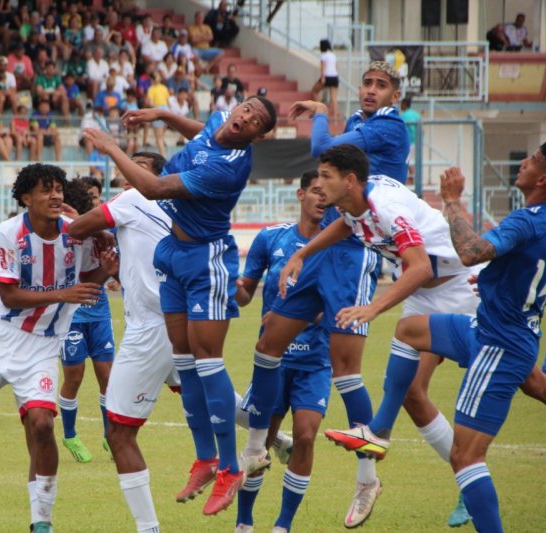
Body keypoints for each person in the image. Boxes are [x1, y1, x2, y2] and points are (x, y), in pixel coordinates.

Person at [326, 147, 546, 533]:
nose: (523, 163)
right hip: (488, 324)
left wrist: (452, 200)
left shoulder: (528, 222)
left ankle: (461, 482)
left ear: (541, 179)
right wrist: (496, 283)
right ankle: (379, 431)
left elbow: (471, 252)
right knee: (408, 333)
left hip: (499, 339)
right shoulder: (534, 223)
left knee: (467, 456)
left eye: (531, 161)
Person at [287, 61, 470, 526]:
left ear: (348, 179)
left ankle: (382, 438)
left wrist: (372, 307)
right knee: (412, 390)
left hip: (462, 285)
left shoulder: (385, 198)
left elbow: (420, 264)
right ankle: (462, 477)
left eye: (380, 84)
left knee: (524, 379)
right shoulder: (357, 203)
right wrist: (302, 253)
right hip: (425, 289)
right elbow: (347, 225)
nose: (317, 184)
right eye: (365, 82)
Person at [84, 95, 277, 516]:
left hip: (206, 259)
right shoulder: (222, 122)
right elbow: (203, 130)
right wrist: (163, 114)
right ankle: (206, 459)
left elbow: (153, 189)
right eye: (246, 108)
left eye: (256, 120)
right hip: (173, 252)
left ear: (258, 136)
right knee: (184, 360)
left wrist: (112, 147)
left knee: (208, 362)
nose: (245, 117)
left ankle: (230, 467)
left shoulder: (228, 167)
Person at [0, 164, 112, 533]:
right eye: (46, 190)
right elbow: (10, 295)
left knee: (42, 425)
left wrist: (106, 269)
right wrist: (63, 294)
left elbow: (87, 283)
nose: (55, 196)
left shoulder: (77, 233)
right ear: (26, 198)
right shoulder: (9, 232)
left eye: (58, 189)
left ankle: (42, 521)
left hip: (42, 345)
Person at [68, 152, 183, 532]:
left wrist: (64, 215)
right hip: (177, 319)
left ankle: (148, 528)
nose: (130, 172)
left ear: (159, 178)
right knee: (204, 393)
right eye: (128, 166)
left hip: (150, 330)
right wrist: (115, 267)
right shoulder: (173, 208)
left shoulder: (134, 199)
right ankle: (270, 435)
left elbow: (76, 228)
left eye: (141, 167)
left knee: (118, 433)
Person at [233, 171, 330, 533]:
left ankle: (283, 526)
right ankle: (244, 523)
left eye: (328, 193)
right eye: (316, 191)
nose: (322, 199)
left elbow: (345, 303)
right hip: (273, 362)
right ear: (301, 194)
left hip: (314, 361)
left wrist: (303, 313)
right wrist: (228, 282)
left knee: (305, 436)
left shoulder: (337, 244)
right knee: (260, 442)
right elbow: (245, 294)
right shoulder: (271, 237)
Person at [57, 177, 116, 463]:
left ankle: (110, 435)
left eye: (97, 197)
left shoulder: (104, 231)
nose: (96, 202)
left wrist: (114, 275)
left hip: (99, 310)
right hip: (71, 314)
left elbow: (110, 264)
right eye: (90, 197)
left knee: (107, 377)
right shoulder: (67, 231)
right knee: (75, 377)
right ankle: (70, 435)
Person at [313, 39, 338, 117]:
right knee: (333, 99)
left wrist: (322, 77)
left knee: (314, 91)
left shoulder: (323, 55)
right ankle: (335, 118)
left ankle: (320, 110)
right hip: (335, 77)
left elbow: (323, 67)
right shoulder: (333, 55)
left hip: (327, 76)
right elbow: (335, 67)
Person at [400, 97, 421, 181]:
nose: (400, 106)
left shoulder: (404, 116)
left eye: (401, 104)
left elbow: (401, 129)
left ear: (405, 104)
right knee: (409, 159)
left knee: (407, 160)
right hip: (418, 141)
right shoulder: (416, 114)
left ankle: (412, 179)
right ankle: (412, 178)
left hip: (409, 141)